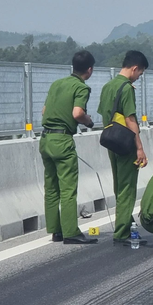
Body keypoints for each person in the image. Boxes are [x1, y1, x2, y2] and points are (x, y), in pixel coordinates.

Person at [40, 50, 97, 244]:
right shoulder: (81, 87)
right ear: (89, 70)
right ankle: (71, 232)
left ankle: (56, 230)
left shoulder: (57, 84)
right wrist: (88, 122)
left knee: (51, 187)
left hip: (46, 139)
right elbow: (77, 112)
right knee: (68, 188)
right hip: (62, 141)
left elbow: (44, 111)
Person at [97, 50, 149, 245]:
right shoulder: (127, 88)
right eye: (140, 74)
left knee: (119, 185)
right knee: (127, 187)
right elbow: (130, 119)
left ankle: (126, 223)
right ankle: (122, 233)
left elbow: (103, 114)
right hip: (126, 143)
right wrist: (139, 148)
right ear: (135, 68)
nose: (139, 78)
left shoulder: (107, 86)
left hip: (112, 141)